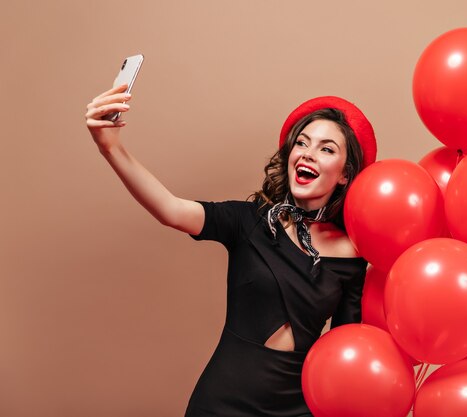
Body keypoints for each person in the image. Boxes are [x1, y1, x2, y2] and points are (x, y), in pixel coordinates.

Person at [85, 84, 377, 416]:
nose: (308, 153)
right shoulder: (248, 221)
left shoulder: (353, 255)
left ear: (345, 174)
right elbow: (171, 209)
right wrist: (110, 148)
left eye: (326, 149)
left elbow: (348, 351)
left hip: (300, 407)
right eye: (302, 143)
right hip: (225, 401)